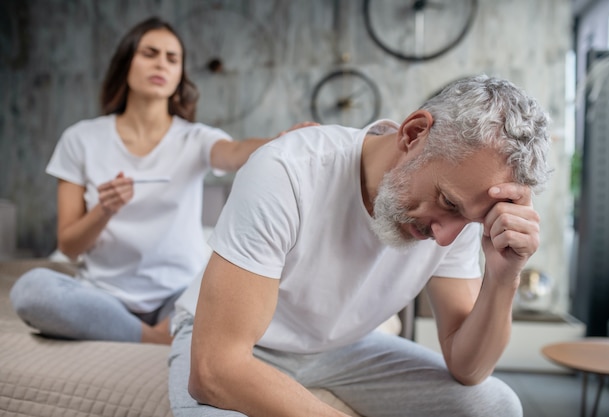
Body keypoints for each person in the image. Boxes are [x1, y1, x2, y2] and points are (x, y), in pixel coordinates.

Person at [168, 74, 552, 416]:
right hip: (251, 345)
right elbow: (215, 369)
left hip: (343, 347)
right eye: (448, 203)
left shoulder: (460, 215)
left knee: (497, 405)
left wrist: (504, 278)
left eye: (468, 221)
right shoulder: (287, 170)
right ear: (414, 133)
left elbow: (468, 370)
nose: (445, 236)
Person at [9, 16, 314, 345]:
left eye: (173, 58)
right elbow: (69, 246)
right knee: (31, 290)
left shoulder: (195, 139)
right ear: (126, 62)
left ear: (180, 74)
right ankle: (156, 337)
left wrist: (279, 140)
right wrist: (104, 210)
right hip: (105, 297)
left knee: (250, 298)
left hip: (180, 296)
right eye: (149, 53)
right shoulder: (80, 138)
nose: (161, 64)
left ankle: (154, 330)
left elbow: (236, 151)